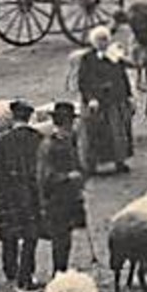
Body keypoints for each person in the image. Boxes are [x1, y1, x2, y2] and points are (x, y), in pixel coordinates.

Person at [0, 99, 42, 290]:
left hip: (8, 198)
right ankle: (26, 276)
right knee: (30, 236)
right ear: (29, 117)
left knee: (9, 236)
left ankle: (11, 275)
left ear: (13, 117)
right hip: (31, 197)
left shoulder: (2, 141)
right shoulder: (38, 138)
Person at [36, 102, 86, 275]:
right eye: (69, 123)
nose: (71, 126)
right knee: (60, 238)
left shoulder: (69, 142)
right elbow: (45, 176)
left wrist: (80, 180)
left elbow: (78, 164)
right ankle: (58, 272)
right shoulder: (49, 145)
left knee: (66, 238)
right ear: (62, 124)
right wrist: (67, 177)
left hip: (70, 197)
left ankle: (62, 269)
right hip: (55, 199)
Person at [77, 26, 134, 175]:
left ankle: (119, 162)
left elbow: (122, 77)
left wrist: (129, 96)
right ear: (93, 42)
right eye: (99, 40)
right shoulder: (87, 59)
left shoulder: (114, 57)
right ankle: (92, 165)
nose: (103, 42)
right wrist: (90, 98)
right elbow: (83, 82)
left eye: (105, 39)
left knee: (118, 132)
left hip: (114, 100)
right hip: (96, 102)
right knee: (94, 134)